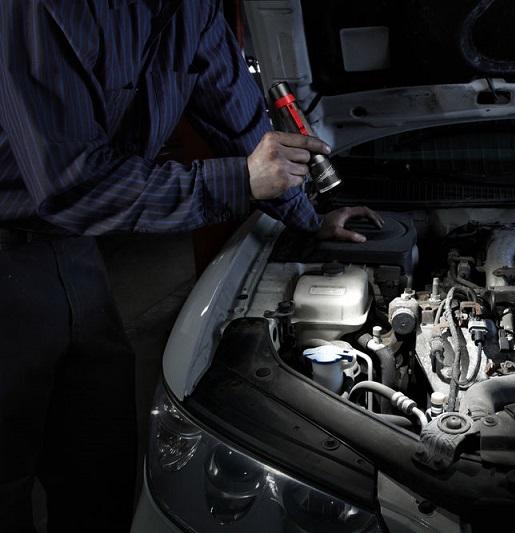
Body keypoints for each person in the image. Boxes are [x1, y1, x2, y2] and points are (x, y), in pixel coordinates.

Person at [0, 1, 382, 531]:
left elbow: (239, 120)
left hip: (72, 249)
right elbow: (71, 185)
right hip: (12, 246)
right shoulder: (47, 9)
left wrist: (308, 217)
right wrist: (240, 181)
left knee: (100, 462)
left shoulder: (193, 9)